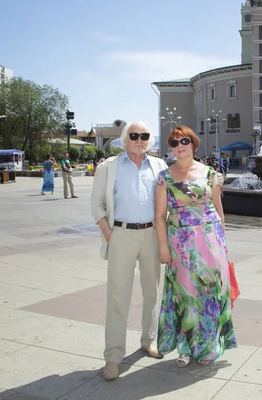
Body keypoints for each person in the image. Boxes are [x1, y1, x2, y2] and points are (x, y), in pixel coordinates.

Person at [90, 121, 168, 381]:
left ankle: (149, 340)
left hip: (152, 235)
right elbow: (97, 204)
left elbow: (177, 191)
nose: (139, 140)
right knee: (117, 297)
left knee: (152, 292)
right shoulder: (108, 167)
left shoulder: (159, 166)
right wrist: (109, 234)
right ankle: (113, 356)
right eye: (134, 135)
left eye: (144, 136)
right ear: (125, 139)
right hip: (120, 235)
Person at [155, 125, 237, 367]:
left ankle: (209, 347)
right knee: (186, 294)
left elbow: (218, 209)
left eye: (184, 141)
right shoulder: (165, 177)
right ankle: (186, 348)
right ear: (170, 148)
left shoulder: (210, 173)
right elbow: (160, 216)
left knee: (212, 293)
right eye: (174, 143)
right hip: (181, 245)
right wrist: (163, 248)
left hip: (211, 240)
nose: (180, 146)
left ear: (193, 144)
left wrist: (223, 243)